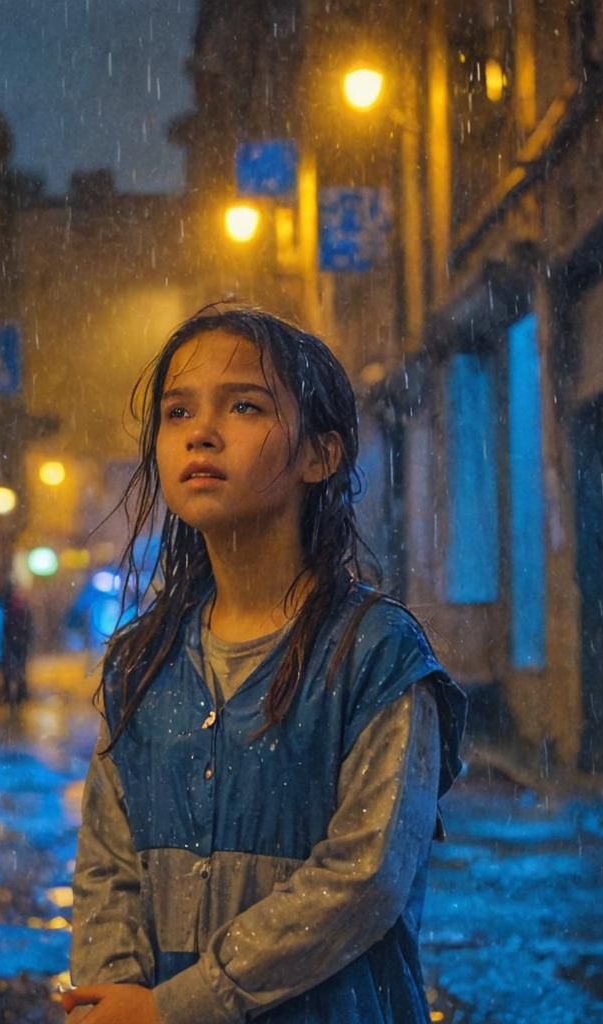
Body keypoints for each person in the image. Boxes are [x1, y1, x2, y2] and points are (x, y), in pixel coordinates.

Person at [62, 305, 466, 1024]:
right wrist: (114, 998)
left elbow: (364, 880)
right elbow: (107, 869)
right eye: (177, 411)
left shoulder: (376, 654)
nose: (200, 432)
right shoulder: (141, 662)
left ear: (321, 454)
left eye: (244, 405)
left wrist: (176, 1009)